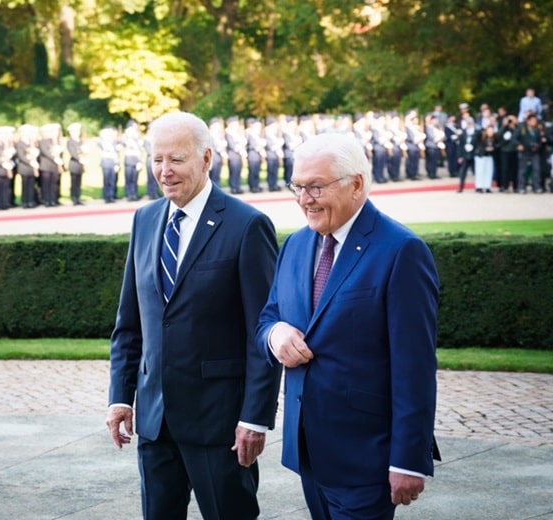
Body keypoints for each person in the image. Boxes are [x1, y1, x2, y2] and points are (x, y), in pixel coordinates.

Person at [106, 111, 282, 520]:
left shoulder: (247, 225)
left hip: (219, 425)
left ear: (206, 159)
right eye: (157, 159)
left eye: (176, 160)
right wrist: (120, 397)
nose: (164, 172)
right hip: (154, 422)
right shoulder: (144, 220)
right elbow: (130, 324)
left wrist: (255, 418)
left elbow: (263, 333)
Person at [256, 132, 440, 520]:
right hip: (308, 452)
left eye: (316, 187)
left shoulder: (401, 251)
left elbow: (415, 367)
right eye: (298, 186)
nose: (304, 199)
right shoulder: (294, 245)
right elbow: (268, 317)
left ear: (356, 184)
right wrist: (276, 335)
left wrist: (409, 460)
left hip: (366, 459)